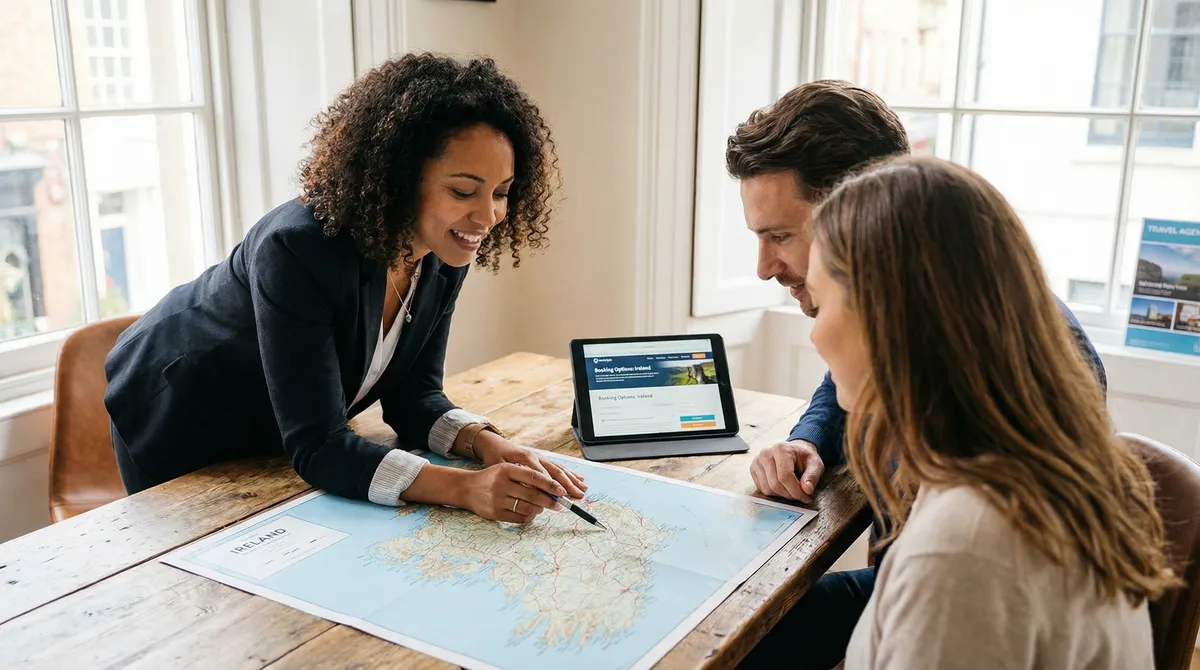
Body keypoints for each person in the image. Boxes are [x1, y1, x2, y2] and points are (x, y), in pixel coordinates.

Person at [103, 53, 585, 524]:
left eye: (500, 192)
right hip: (181, 417)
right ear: (398, 178)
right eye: (462, 191)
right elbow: (320, 446)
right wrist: (465, 488)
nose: (487, 217)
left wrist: (492, 445)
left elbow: (414, 399)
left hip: (280, 436)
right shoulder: (296, 248)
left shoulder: (444, 248)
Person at [727, 81, 1108, 669]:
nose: (818, 337)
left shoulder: (964, 545)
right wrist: (808, 437)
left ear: (871, 226)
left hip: (945, 603)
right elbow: (841, 387)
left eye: (780, 236)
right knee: (743, 631)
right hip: (911, 591)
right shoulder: (926, 331)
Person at [800, 154, 1176, 668]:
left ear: (891, 321)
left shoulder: (962, 551)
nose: (816, 334)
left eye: (821, 304)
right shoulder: (1016, 468)